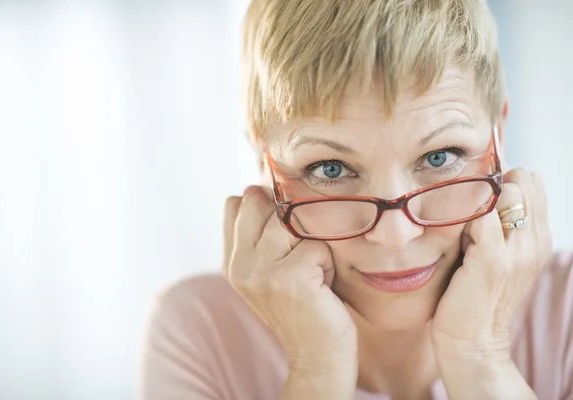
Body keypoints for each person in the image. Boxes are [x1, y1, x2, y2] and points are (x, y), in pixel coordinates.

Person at [140, 1, 573, 399]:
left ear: (499, 130)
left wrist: (480, 356)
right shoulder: (199, 331)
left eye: (440, 157)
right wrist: (316, 367)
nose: (395, 235)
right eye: (330, 169)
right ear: (263, 162)